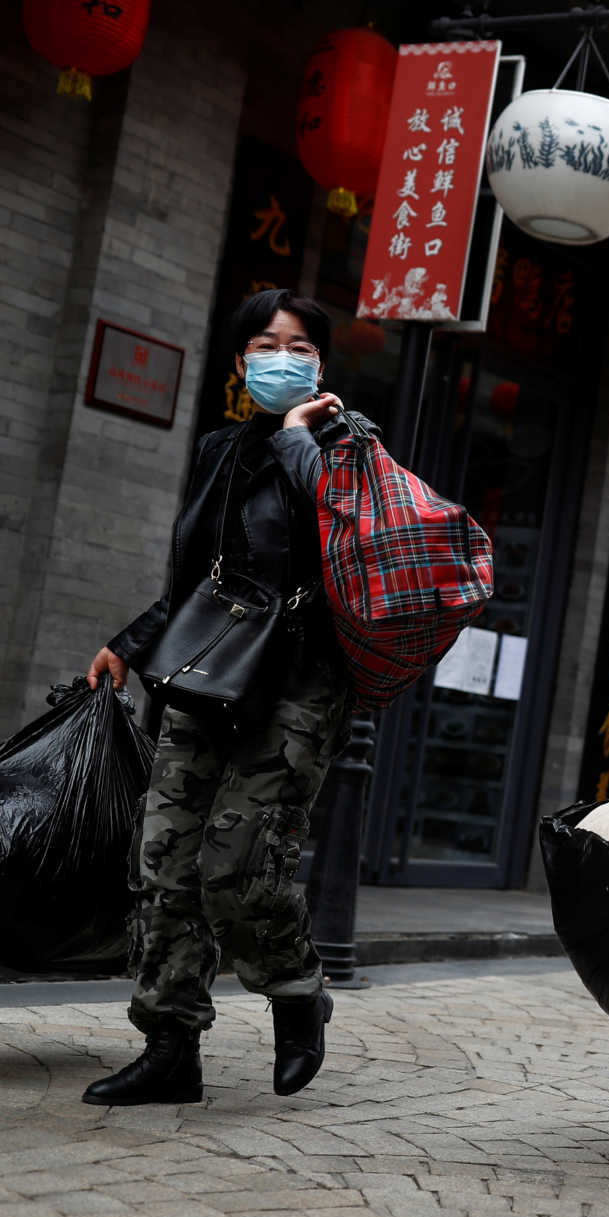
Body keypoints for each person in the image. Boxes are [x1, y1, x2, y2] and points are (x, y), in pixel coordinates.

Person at [80, 289, 363, 1107]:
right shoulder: (218, 449)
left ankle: (298, 990)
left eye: (299, 345)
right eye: (265, 345)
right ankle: (170, 1046)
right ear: (240, 363)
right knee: (164, 861)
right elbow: (199, 578)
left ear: (320, 363)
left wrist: (299, 435)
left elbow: (347, 533)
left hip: (298, 683)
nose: (283, 357)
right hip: (209, 671)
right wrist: (132, 642)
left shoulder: (346, 442)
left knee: (238, 863)